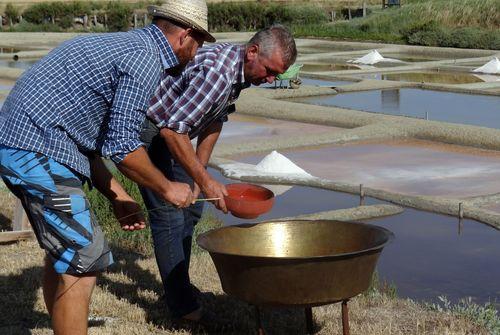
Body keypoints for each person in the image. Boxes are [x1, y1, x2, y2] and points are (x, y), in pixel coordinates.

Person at [0, 0, 215, 334]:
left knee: (66, 252)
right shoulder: (146, 59)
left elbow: (88, 140)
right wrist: (167, 187)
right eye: (199, 43)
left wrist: (117, 196)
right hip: (34, 147)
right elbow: (123, 146)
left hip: (31, 142)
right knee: (84, 257)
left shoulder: (130, 45)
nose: (197, 52)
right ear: (185, 35)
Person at [140, 24, 297, 325]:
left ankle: (179, 284)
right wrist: (204, 179)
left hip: (172, 130)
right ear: (252, 52)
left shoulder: (240, 73)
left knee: (193, 208)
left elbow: (215, 120)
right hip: (148, 128)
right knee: (171, 215)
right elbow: (171, 130)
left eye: (278, 74)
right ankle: (182, 306)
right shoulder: (219, 74)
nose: (272, 79)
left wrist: (200, 176)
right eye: (270, 70)